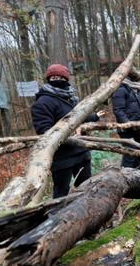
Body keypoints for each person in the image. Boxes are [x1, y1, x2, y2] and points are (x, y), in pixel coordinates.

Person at [32, 64, 104, 198]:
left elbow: (79, 117)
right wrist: (70, 136)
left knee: (86, 188)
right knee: (61, 193)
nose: (56, 79)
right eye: (53, 77)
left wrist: (95, 117)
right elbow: (44, 131)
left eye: (60, 77)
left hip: (82, 152)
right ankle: (56, 217)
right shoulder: (43, 102)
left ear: (66, 79)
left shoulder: (71, 98)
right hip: (62, 158)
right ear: (48, 79)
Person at [112, 78, 140, 168]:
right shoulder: (121, 90)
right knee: (130, 155)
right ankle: (125, 177)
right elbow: (118, 110)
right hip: (126, 130)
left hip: (139, 129)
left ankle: (137, 176)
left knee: (139, 155)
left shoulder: (138, 89)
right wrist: (128, 124)